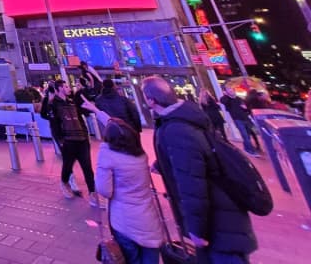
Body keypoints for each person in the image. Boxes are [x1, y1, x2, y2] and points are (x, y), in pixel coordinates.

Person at [142, 75, 258, 263]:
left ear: (150, 100)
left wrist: (196, 228)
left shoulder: (176, 129)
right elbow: (197, 156)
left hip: (218, 224)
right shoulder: (188, 117)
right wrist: (164, 164)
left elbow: (192, 184)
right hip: (225, 217)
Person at [82, 101, 164, 264]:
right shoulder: (141, 155)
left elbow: (104, 190)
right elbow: (117, 127)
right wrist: (96, 110)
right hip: (149, 220)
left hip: (124, 221)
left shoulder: (109, 156)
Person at [41, 79, 98, 206]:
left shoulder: (72, 102)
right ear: (59, 88)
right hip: (67, 139)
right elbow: (51, 120)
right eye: (66, 86)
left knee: (87, 166)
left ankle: (93, 193)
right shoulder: (52, 104)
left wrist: (85, 133)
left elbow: (80, 117)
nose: (69, 88)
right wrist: (61, 140)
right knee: (68, 164)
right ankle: (65, 182)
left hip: (81, 138)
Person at [220, 88, 260, 155]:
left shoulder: (239, 99)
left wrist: (246, 108)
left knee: (248, 135)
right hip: (237, 120)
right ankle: (251, 151)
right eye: (229, 91)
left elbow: (246, 109)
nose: (232, 92)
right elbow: (222, 101)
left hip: (245, 118)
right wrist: (226, 95)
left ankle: (247, 147)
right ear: (226, 93)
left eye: (232, 90)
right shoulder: (227, 100)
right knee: (245, 135)